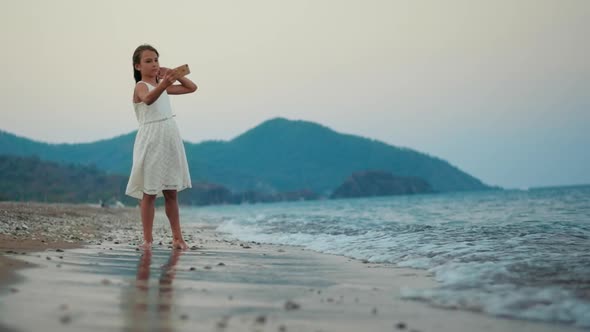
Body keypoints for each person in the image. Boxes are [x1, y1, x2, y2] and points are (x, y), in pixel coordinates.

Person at [125, 44, 197, 250]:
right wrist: (163, 84)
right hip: (151, 138)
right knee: (148, 192)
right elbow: (148, 99)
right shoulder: (141, 86)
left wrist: (175, 75)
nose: (154, 63)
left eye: (156, 59)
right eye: (148, 61)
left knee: (171, 191)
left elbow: (191, 88)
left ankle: (177, 238)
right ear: (138, 66)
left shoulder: (162, 85)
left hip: (169, 137)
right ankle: (147, 240)